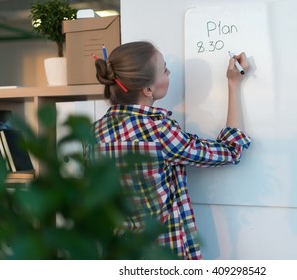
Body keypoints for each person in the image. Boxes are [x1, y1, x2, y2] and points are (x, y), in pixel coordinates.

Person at [91, 41, 251, 260]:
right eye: (164, 69)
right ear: (148, 89)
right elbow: (231, 151)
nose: (169, 72)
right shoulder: (159, 132)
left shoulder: (93, 133)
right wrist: (234, 84)